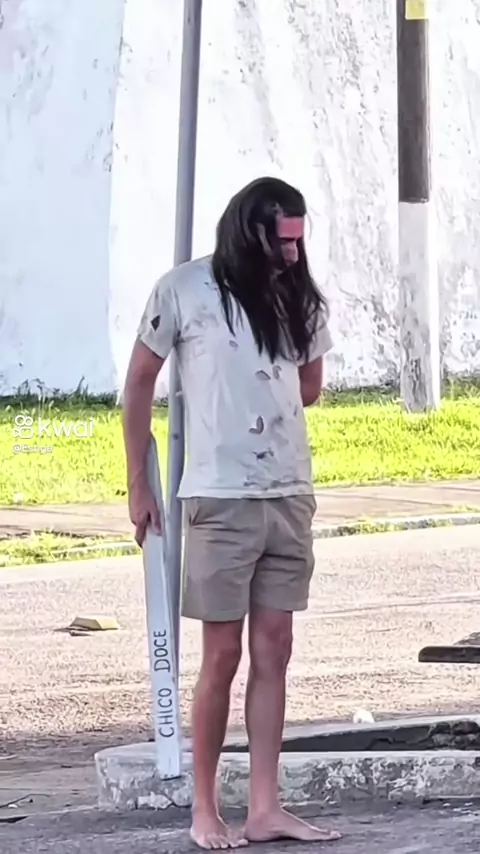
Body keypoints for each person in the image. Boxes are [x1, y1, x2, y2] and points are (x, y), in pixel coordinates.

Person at [122, 177, 340, 849]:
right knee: (221, 654)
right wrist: (139, 480)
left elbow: (310, 386)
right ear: (250, 232)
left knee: (276, 648)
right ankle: (206, 809)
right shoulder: (183, 290)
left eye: (300, 242)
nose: (294, 255)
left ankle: (266, 807)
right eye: (283, 242)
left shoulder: (299, 294)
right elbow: (139, 380)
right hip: (219, 495)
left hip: (288, 491)